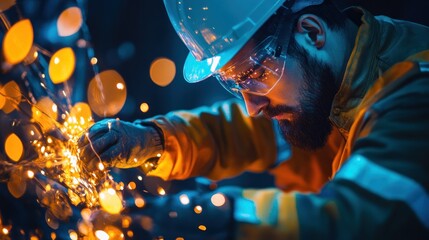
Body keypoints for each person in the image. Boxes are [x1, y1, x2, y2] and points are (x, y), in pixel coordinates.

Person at [78, 0, 429, 239]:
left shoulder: (416, 91)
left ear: (312, 33)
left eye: (254, 74)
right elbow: (241, 130)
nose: (251, 107)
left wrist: (220, 216)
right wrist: (154, 140)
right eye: (235, 84)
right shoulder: (330, 93)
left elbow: (356, 221)